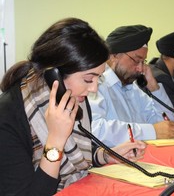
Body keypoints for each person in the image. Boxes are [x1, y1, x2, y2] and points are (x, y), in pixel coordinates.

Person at [0, 18, 146, 196]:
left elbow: (77, 149)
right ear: (54, 75)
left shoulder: (75, 100)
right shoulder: (7, 117)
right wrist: (55, 141)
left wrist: (107, 155)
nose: (93, 88)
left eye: (98, 79)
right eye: (87, 79)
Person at [89, 25, 174, 147]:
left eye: (143, 62)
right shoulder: (95, 85)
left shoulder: (133, 88)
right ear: (113, 55)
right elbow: (95, 130)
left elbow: (170, 124)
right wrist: (150, 131)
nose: (141, 68)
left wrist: (154, 87)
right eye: (136, 60)